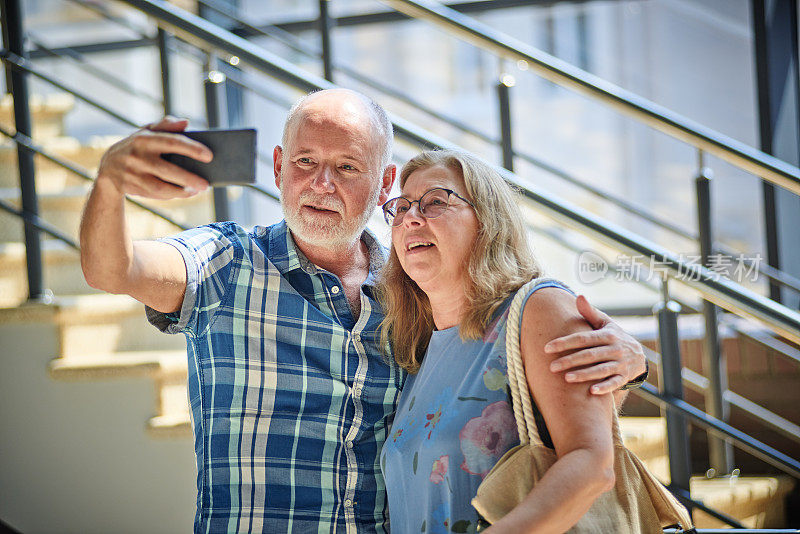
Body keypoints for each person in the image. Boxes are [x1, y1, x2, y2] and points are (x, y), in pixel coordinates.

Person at [80, 89, 646, 533]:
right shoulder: (224, 261)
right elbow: (114, 269)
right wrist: (110, 182)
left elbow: (528, 384)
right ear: (278, 166)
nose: (321, 184)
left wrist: (629, 355)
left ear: (382, 184)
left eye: (348, 167)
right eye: (305, 161)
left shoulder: (414, 296)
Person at [379, 149, 627, 533]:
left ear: (487, 221)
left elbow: (591, 464)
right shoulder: (419, 349)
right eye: (402, 207)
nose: (411, 218)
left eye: (435, 203)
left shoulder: (539, 308)